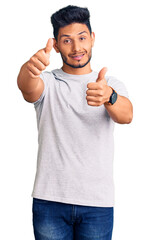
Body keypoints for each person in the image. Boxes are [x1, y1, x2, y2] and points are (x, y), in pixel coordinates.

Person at [17, 5, 133, 240]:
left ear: (92, 38)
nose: (77, 47)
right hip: (50, 201)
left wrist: (109, 96)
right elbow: (28, 89)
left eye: (82, 38)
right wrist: (30, 70)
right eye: (67, 41)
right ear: (57, 45)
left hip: (97, 204)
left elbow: (127, 115)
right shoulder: (48, 82)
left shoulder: (109, 83)